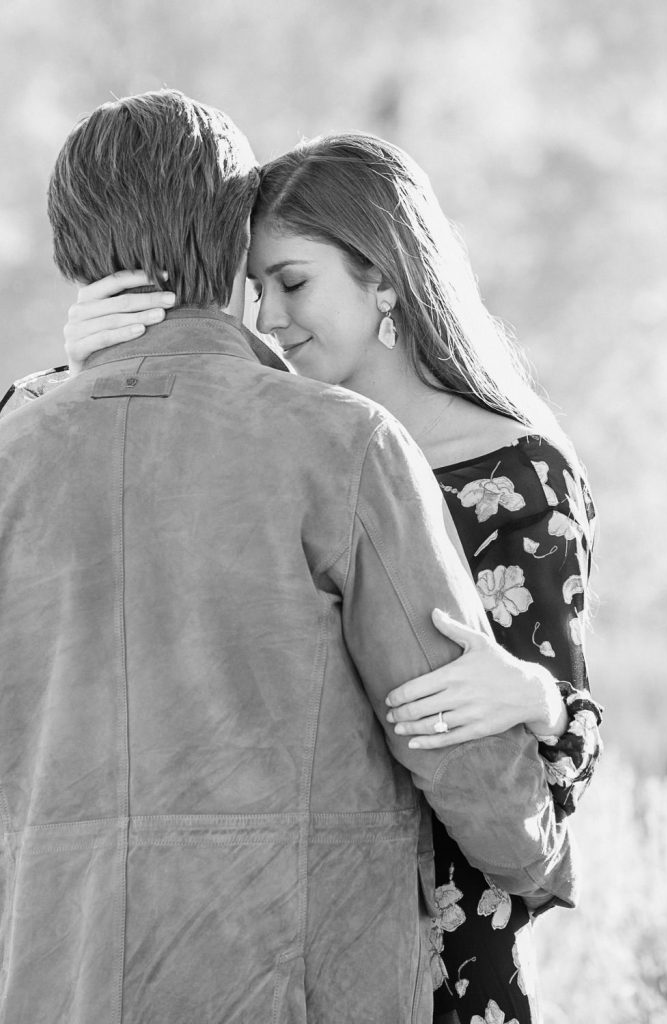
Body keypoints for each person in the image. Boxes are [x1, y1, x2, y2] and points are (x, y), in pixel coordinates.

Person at [0, 92, 578, 1024]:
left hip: (52, 971)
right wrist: (535, 854)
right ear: (233, 242)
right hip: (291, 977)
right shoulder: (344, 442)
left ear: (71, 246)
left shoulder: (14, 444)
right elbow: (440, 712)